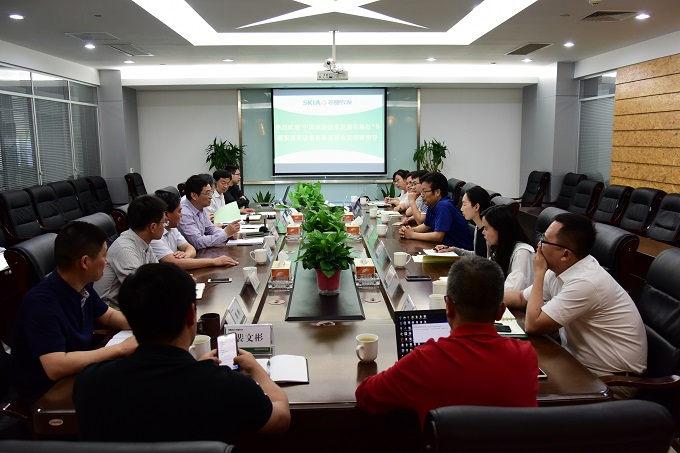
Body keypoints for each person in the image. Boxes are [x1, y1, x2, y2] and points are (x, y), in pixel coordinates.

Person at [74, 263, 290, 443]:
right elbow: (280, 418)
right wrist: (256, 369)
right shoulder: (226, 385)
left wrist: (197, 367)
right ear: (190, 315)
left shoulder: (90, 382)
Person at [355, 256, 538, 424]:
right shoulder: (526, 356)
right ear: (501, 312)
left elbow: (366, 396)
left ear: (448, 307)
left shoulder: (424, 360)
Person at [504, 213, 647, 388]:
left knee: (515, 385)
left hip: (610, 380)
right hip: (575, 362)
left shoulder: (585, 282)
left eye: (544, 241)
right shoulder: (561, 269)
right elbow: (520, 297)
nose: (538, 245)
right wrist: (479, 298)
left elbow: (533, 325)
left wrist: (539, 273)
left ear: (565, 254)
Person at [11, 222, 137, 402]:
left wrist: (148, 325)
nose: (107, 261)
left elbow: (108, 316)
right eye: (104, 255)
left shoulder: (81, 285)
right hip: (48, 392)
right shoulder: (41, 303)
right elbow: (56, 366)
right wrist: (120, 349)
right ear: (85, 262)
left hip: (78, 373)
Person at [94, 195, 167, 309]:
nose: (165, 226)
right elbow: (142, 291)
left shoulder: (142, 241)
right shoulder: (125, 249)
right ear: (153, 227)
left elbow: (158, 275)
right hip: (113, 313)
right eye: (164, 222)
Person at [152, 190, 239, 269]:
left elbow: (190, 248)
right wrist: (214, 261)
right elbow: (175, 262)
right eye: (179, 212)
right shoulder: (154, 235)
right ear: (166, 215)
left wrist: (186, 255)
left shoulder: (172, 228)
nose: (181, 215)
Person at [399, 172, 473, 249]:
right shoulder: (433, 204)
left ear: (437, 192)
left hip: (459, 252)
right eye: (421, 191)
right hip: (444, 248)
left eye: (424, 191)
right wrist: (409, 230)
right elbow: (427, 226)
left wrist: (412, 235)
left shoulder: (443, 206)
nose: (421, 195)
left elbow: (438, 236)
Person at [178, 174, 240, 250]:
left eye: (211, 192)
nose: (211, 197)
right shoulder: (184, 213)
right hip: (193, 253)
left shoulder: (199, 206)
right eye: (208, 193)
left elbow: (210, 228)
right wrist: (225, 234)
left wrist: (228, 233)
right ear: (194, 196)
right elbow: (198, 242)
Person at [480, 205, 535, 291]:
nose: (483, 232)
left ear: (500, 230)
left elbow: (513, 289)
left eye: (486, 229)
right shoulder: (500, 247)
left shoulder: (522, 253)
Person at [435, 185, 492, 258]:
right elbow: (477, 255)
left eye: (464, 204)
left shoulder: (488, 233)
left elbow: (486, 260)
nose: (461, 209)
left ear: (476, 207)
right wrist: (452, 249)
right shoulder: (478, 227)